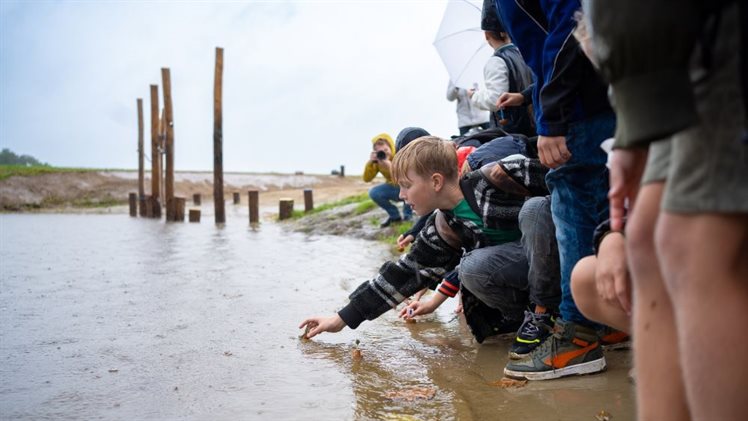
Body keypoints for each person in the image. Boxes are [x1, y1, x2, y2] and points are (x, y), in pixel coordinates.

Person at [587, 1, 748, 419]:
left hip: (693, 31)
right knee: (645, 238)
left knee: (696, 242)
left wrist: (636, 103)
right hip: (669, 48)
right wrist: (631, 127)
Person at [299, 137, 549, 343]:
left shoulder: (498, 177)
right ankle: (529, 320)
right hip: (527, 275)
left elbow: (569, 183)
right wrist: (341, 319)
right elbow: (403, 274)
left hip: (564, 260)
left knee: (535, 210)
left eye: (406, 185)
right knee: (471, 268)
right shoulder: (443, 226)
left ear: (436, 181)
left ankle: (551, 315)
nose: (401, 195)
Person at [494, 0, 616, 381]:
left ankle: (578, 333)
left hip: (581, 106)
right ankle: (607, 314)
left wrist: (552, 116)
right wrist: (532, 96)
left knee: (573, 201)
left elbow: (571, 23)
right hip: (600, 94)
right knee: (601, 200)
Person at [468, 0, 535, 137]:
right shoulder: (523, 53)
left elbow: (495, 98)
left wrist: (474, 96)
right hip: (532, 123)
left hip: (510, 131)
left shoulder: (496, 61)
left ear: (487, 35)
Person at [363, 133, 412, 227]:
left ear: (391, 146)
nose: (383, 152)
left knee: (408, 186)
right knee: (374, 192)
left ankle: (408, 216)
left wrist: (389, 164)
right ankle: (395, 216)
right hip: (393, 188)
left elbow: (405, 177)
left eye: (385, 149)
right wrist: (370, 162)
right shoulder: (378, 161)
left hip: (406, 185)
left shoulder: (400, 155)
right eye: (378, 150)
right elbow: (366, 179)